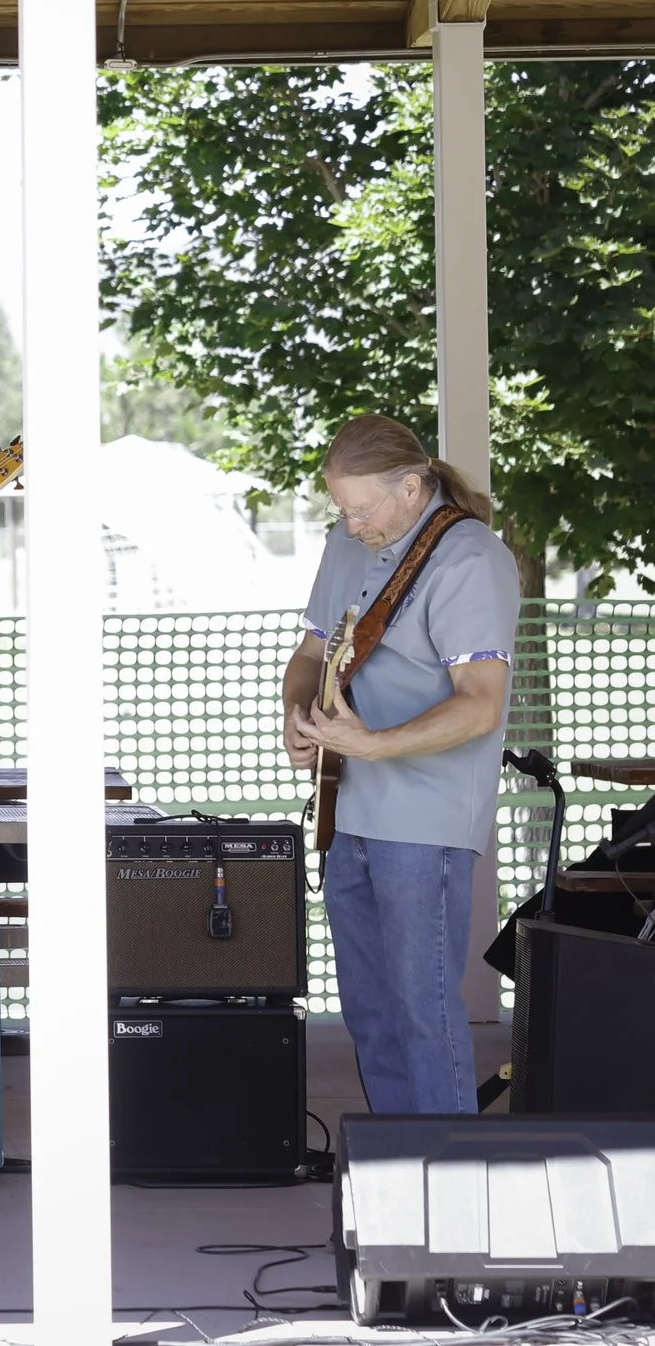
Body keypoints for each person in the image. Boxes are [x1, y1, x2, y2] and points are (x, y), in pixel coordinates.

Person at [283, 414, 516, 1115]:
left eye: (362, 508)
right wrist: (298, 717)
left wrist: (373, 744)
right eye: (341, 509)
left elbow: (480, 705)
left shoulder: (470, 558)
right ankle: (395, 1176)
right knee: (371, 1014)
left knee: (425, 1013)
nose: (351, 524)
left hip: (426, 817)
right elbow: (310, 654)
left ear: (413, 487)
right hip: (346, 805)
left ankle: (450, 1192)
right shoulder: (346, 543)